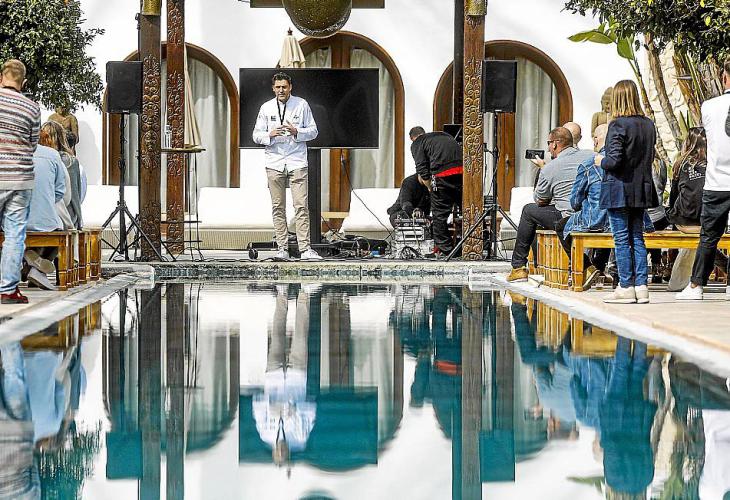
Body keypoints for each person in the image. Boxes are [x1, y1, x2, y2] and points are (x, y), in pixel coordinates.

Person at [594, 79, 658, 304]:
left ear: (617, 99)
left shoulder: (618, 124)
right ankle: (641, 286)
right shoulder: (648, 125)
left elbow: (614, 161)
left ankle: (626, 286)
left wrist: (599, 160)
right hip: (641, 188)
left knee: (621, 238)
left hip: (619, 189)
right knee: (637, 237)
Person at [507, 127, 593, 282]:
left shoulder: (550, 168)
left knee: (528, 210)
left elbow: (540, 200)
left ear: (554, 144)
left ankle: (518, 267)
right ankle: (594, 267)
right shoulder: (591, 156)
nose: (548, 148)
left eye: (548, 143)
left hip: (568, 217)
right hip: (596, 215)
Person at [676, 58, 730, 300]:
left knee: (709, 236)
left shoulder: (709, 106)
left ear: (724, 77)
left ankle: (696, 285)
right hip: (717, 180)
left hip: (717, 180)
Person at [252, 72, 321, 261]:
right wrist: (270, 134)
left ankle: (305, 249)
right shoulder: (266, 107)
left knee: (301, 206)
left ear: (290, 87)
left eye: (284, 86)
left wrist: (296, 131)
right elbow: (256, 135)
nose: (281, 90)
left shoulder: (301, 104)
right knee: (278, 207)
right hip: (274, 162)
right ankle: (282, 249)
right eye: (278, 87)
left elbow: (314, 132)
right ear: (273, 88)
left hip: (297, 161)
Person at [0, 59, 41, 305]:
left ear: (1, 78)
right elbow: (33, 144)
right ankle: (7, 290)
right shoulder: (32, 107)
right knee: (15, 235)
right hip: (20, 179)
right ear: (23, 83)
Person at [555, 124, 611, 289]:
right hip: (623, 219)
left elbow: (575, 201)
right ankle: (598, 268)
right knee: (610, 223)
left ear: (596, 140)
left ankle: (588, 267)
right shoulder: (627, 162)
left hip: (595, 220)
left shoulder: (589, 164)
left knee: (561, 226)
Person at [409, 126, 463, 256]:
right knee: (466, 209)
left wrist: (429, 187)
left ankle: (449, 251)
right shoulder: (444, 135)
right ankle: (475, 244)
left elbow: (422, 169)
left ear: (412, 138)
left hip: (442, 175)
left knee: (439, 215)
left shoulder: (418, 143)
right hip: (462, 173)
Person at [24, 131, 67, 291]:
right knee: (58, 229)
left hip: (12, 221)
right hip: (45, 221)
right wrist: (45, 201)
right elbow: (60, 191)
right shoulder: (52, 155)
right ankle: (36, 269)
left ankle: (28, 264)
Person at [41, 121, 82, 230]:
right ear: (61, 138)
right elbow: (76, 194)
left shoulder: (37, 159)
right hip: (66, 216)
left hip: (43, 215)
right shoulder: (70, 161)